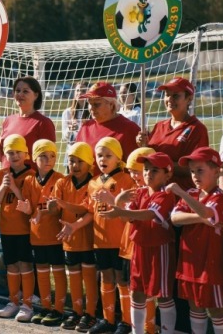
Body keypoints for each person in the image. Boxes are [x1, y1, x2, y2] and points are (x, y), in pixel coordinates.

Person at [99, 152, 177, 334]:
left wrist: (120, 211)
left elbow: (149, 214)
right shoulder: (140, 192)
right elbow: (128, 217)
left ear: (168, 174)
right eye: (146, 169)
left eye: (154, 170)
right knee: (137, 291)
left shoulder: (165, 195)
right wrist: (119, 204)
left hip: (160, 249)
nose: (148, 173)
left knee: (163, 294)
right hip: (139, 247)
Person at [167, 147, 223, 333]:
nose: (195, 175)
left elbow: (207, 212)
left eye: (200, 170)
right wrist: (201, 218)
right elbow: (174, 218)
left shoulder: (219, 197)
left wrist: (182, 194)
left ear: (216, 171)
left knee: (216, 309)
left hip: (209, 264)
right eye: (192, 171)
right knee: (195, 306)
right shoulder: (194, 194)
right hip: (189, 262)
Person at [87, 137, 135, 334]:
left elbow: (131, 212)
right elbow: (91, 211)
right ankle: (108, 319)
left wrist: (113, 199)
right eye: (99, 155)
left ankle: (126, 321)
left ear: (118, 158)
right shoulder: (93, 182)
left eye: (108, 155)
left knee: (122, 280)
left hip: (120, 241)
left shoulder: (126, 179)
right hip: (101, 240)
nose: (103, 159)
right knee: (106, 276)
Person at [16, 139, 66, 325]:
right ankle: (46, 307)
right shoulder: (29, 180)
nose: (48, 160)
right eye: (43, 156)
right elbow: (30, 209)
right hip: (37, 236)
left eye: (52, 156)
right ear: (35, 158)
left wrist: (43, 211)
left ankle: (59, 310)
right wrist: (27, 209)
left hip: (55, 235)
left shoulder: (60, 179)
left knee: (58, 272)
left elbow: (58, 209)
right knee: (42, 273)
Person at [50, 142, 96, 330]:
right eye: (71, 161)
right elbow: (54, 210)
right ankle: (77, 312)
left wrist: (62, 203)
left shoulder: (94, 183)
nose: (75, 165)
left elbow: (85, 209)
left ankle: (91, 314)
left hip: (88, 239)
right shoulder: (62, 182)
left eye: (80, 161)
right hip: (69, 240)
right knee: (74, 276)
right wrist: (52, 205)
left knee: (89, 276)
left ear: (89, 163)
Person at [137, 77, 209, 190]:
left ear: (189, 99)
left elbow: (196, 168)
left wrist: (162, 165)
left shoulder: (197, 129)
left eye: (175, 95)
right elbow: (149, 160)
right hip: (156, 195)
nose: (169, 99)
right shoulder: (159, 126)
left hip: (181, 196)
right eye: (167, 95)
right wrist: (143, 146)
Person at [0, 134, 36, 322]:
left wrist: (16, 189)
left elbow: (29, 205)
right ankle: (13, 301)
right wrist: (4, 187)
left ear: (26, 154)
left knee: (25, 264)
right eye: (10, 152)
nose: (14, 156)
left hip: (24, 229)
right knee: (11, 265)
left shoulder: (31, 175)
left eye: (18, 152)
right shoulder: (2, 174)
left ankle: (27, 304)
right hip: (7, 228)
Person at [119, 147, 158, 334]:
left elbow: (132, 215)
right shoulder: (133, 191)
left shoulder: (155, 194)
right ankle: (130, 324)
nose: (134, 175)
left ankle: (150, 327)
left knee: (147, 289)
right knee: (130, 287)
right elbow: (125, 217)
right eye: (132, 171)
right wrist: (119, 201)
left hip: (144, 248)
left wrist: (118, 204)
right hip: (128, 246)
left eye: (137, 171)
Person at [0, 76, 56, 167]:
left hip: (30, 179)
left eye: (25, 91)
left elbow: (49, 161)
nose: (20, 94)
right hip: (7, 178)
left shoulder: (43, 123)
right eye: (17, 91)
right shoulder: (8, 120)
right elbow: (4, 159)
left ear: (36, 95)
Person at [76, 82, 140, 176]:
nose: (91, 108)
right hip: (87, 188)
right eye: (89, 103)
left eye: (97, 104)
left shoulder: (129, 129)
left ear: (112, 105)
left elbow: (134, 168)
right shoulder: (85, 127)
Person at [62, 82, 91, 170]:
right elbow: (64, 138)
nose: (80, 93)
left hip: (87, 154)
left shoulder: (92, 112)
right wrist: (69, 130)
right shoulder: (67, 112)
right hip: (72, 154)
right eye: (77, 90)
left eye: (83, 91)